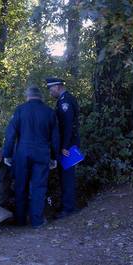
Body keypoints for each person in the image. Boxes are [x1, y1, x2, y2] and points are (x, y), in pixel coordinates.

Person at [2, 86, 59, 228]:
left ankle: (20, 221)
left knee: (21, 187)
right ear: (41, 97)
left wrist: (7, 154)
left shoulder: (20, 110)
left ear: (27, 96)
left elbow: (10, 135)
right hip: (42, 154)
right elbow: (55, 138)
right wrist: (54, 157)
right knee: (39, 188)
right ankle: (37, 221)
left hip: (22, 154)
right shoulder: (50, 112)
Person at [46, 77, 80, 219]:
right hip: (69, 144)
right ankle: (68, 205)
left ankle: (69, 208)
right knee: (65, 176)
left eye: (50, 89)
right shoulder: (63, 100)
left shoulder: (65, 101)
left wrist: (64, 146)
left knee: (67, 176)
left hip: (68, 145)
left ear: (58, 86)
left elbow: (67, 126)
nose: (50, 92)